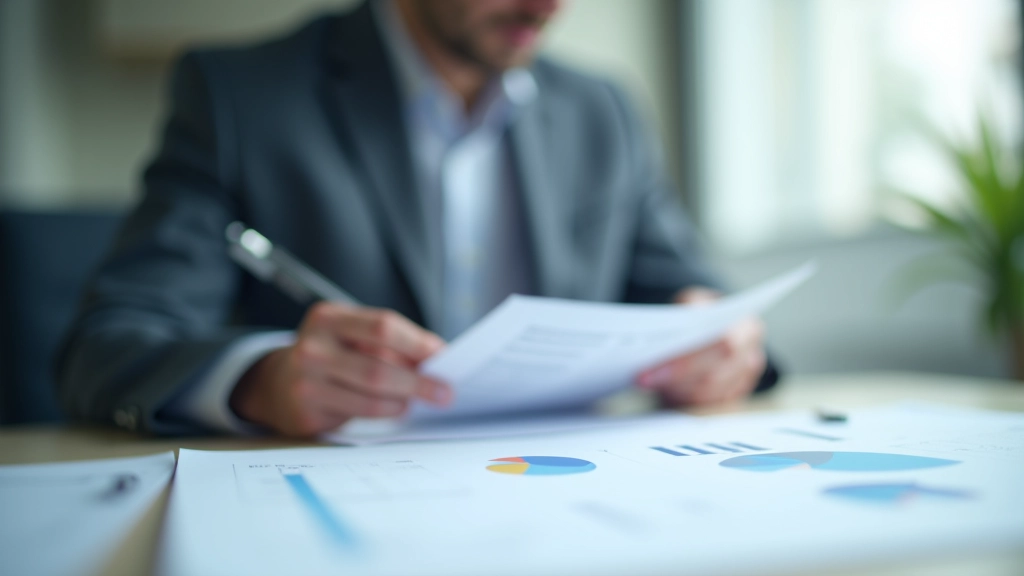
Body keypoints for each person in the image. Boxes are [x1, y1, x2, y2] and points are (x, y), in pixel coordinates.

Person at [57, 0, 777, 437]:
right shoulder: (241, 97)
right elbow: (107, 347)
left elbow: (695, 298)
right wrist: (262, 380)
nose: (547, 5)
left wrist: (722, 345)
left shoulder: (603, 112)